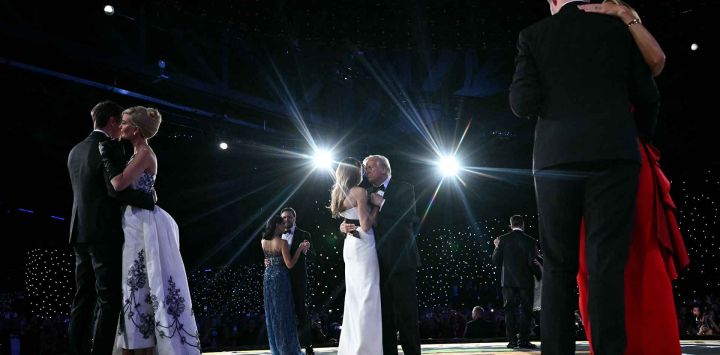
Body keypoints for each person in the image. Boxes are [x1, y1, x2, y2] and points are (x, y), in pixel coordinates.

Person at [509, 0, 660, 353]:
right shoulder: (617, 30)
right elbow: (649, 94)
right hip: (615, 158)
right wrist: (637, 139)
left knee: (558, 267)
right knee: (606, 266)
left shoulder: (533, 35)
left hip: (556, 162)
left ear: (551, 2)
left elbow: (522, 103)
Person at [575, 1, 689, 354]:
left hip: (613, 159)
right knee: (610, 259)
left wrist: (626, 17)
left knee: (633, 254)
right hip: (609, 156)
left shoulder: (615, 41)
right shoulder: (579, 46)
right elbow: (654, 69)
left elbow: (655, 63)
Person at [99, 106, 200, 354]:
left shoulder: (144, 153)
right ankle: (135, 339)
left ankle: (143, 341)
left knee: (143, 280)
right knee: (134, 281)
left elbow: (119, 184)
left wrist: (107, 158)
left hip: (143, 224)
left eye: (123, 122)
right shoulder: (137, 153)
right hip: (133, 221)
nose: (120, 126)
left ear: (135, 128)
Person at [67, 101, 155, 355]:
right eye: (122, 122)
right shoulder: (108, 147)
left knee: (82, 298)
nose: (123, 128)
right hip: (103, 233)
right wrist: (149, 199)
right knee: (108, 300)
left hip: (78, 231)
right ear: (114, 122)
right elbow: (115, 191)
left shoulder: (75, 150)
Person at [341, 155, 422, 355]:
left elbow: (410, 217)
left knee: (406, 314)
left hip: (401, 260)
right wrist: (343, 227)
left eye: (370, 167)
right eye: (366, 168)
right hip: (374, 262)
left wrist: (383, 202)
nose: (366, 171)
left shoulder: (405, 187)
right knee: (383, 315)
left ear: (384, 168)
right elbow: (354, 217)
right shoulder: (364, 192)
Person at [330, 157, 383, 355]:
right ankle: (366, 348)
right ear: (355, 171)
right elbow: (366, 224)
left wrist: (343, 226)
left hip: (350, 245)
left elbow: (347, 219)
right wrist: (377, 205)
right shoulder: (359, 191)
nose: (363, 171)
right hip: (363, 243)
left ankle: (353, 346)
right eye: (361, 168)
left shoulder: (338, 193)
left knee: (354, 296)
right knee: (368, 293)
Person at [261, 215, 310, 355]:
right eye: (282, 224)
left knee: (273, 314)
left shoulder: (263, 241)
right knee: (284, 314)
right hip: (281, 278)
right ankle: (287, 349)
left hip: (268, 277)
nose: (284, 226)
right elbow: (289, 264)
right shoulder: (282, 242)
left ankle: (277, 348)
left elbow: (268, 260)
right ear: (276, 225)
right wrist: (299, 249)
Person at [491, 215, 541, 349]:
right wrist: (540, 275)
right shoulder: (530, 240)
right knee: (526, 310)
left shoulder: (503, 239)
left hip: (507, 282)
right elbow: (533, 262)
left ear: (511, 225)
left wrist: (496, 247)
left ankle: (512, 341)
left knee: (509, 311)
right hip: (525, 281)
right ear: (523, 225)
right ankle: (523, 340)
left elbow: (496, 261)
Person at [280, 207, 315, 355]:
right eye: (284, 218)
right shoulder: (277, 234)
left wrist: (306, 250)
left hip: (298, 278)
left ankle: (308, 345)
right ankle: (286, 345)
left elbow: (313, 255)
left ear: (295, 218)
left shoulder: (304, 234)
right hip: (281, 278)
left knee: (301, 311)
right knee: (284, 312)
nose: (287, 220)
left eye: (289, 217)